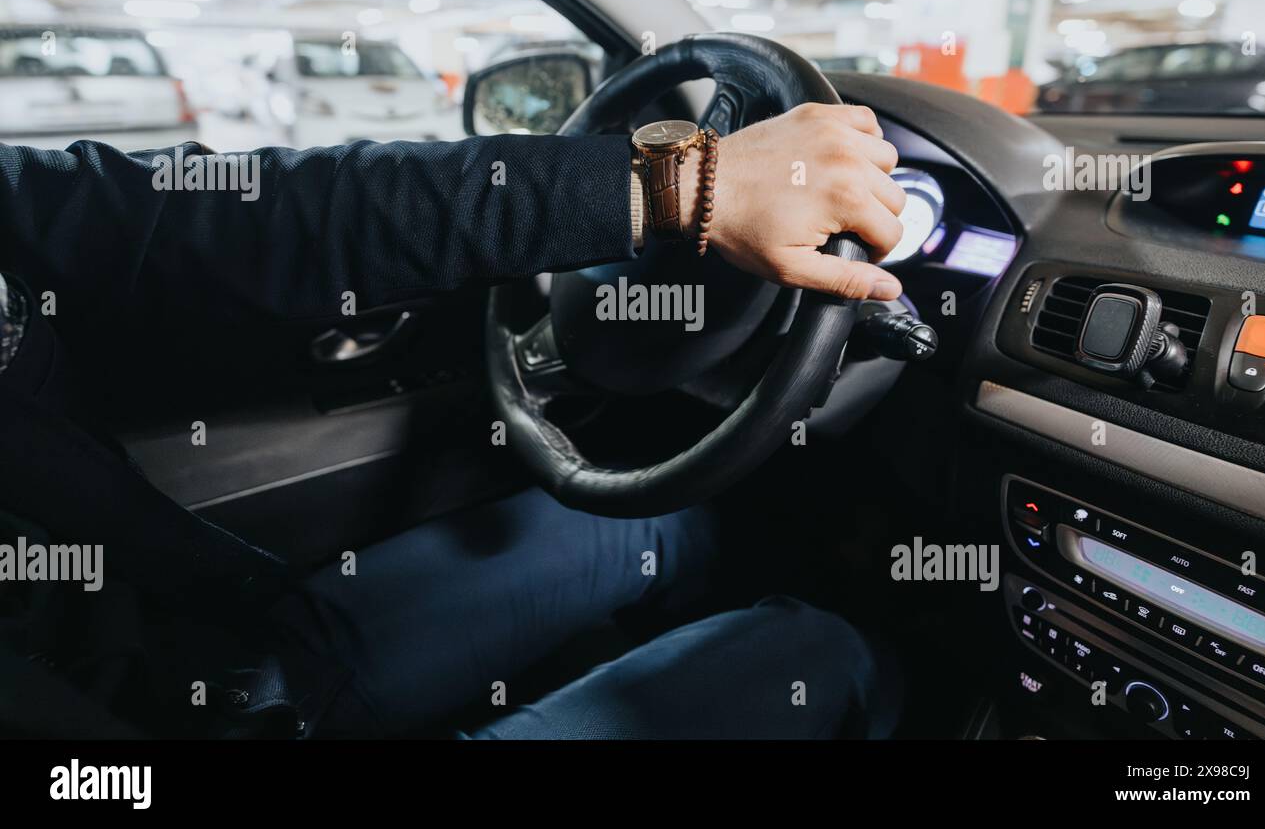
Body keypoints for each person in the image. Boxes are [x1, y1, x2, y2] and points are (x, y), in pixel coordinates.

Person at [0, 102, 906, 739]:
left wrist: (677, 184)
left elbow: (215, 212)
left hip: (198, 648)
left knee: (665, 525)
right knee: (820, 648)